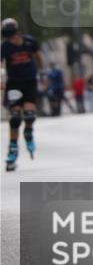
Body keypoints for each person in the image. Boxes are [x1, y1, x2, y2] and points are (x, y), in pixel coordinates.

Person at [1, 18, 43, 170]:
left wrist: (42, 72)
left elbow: (38, 57)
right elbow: (1, 64)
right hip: (14, 83)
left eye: (13, 36)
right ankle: (12, 151)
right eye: (8, 37)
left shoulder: (30, 42)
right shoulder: (4, 47)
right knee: (15, 118)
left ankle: (28, 132)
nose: (11, 40)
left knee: (30, 115)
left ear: (17, 32)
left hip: (30, 82)